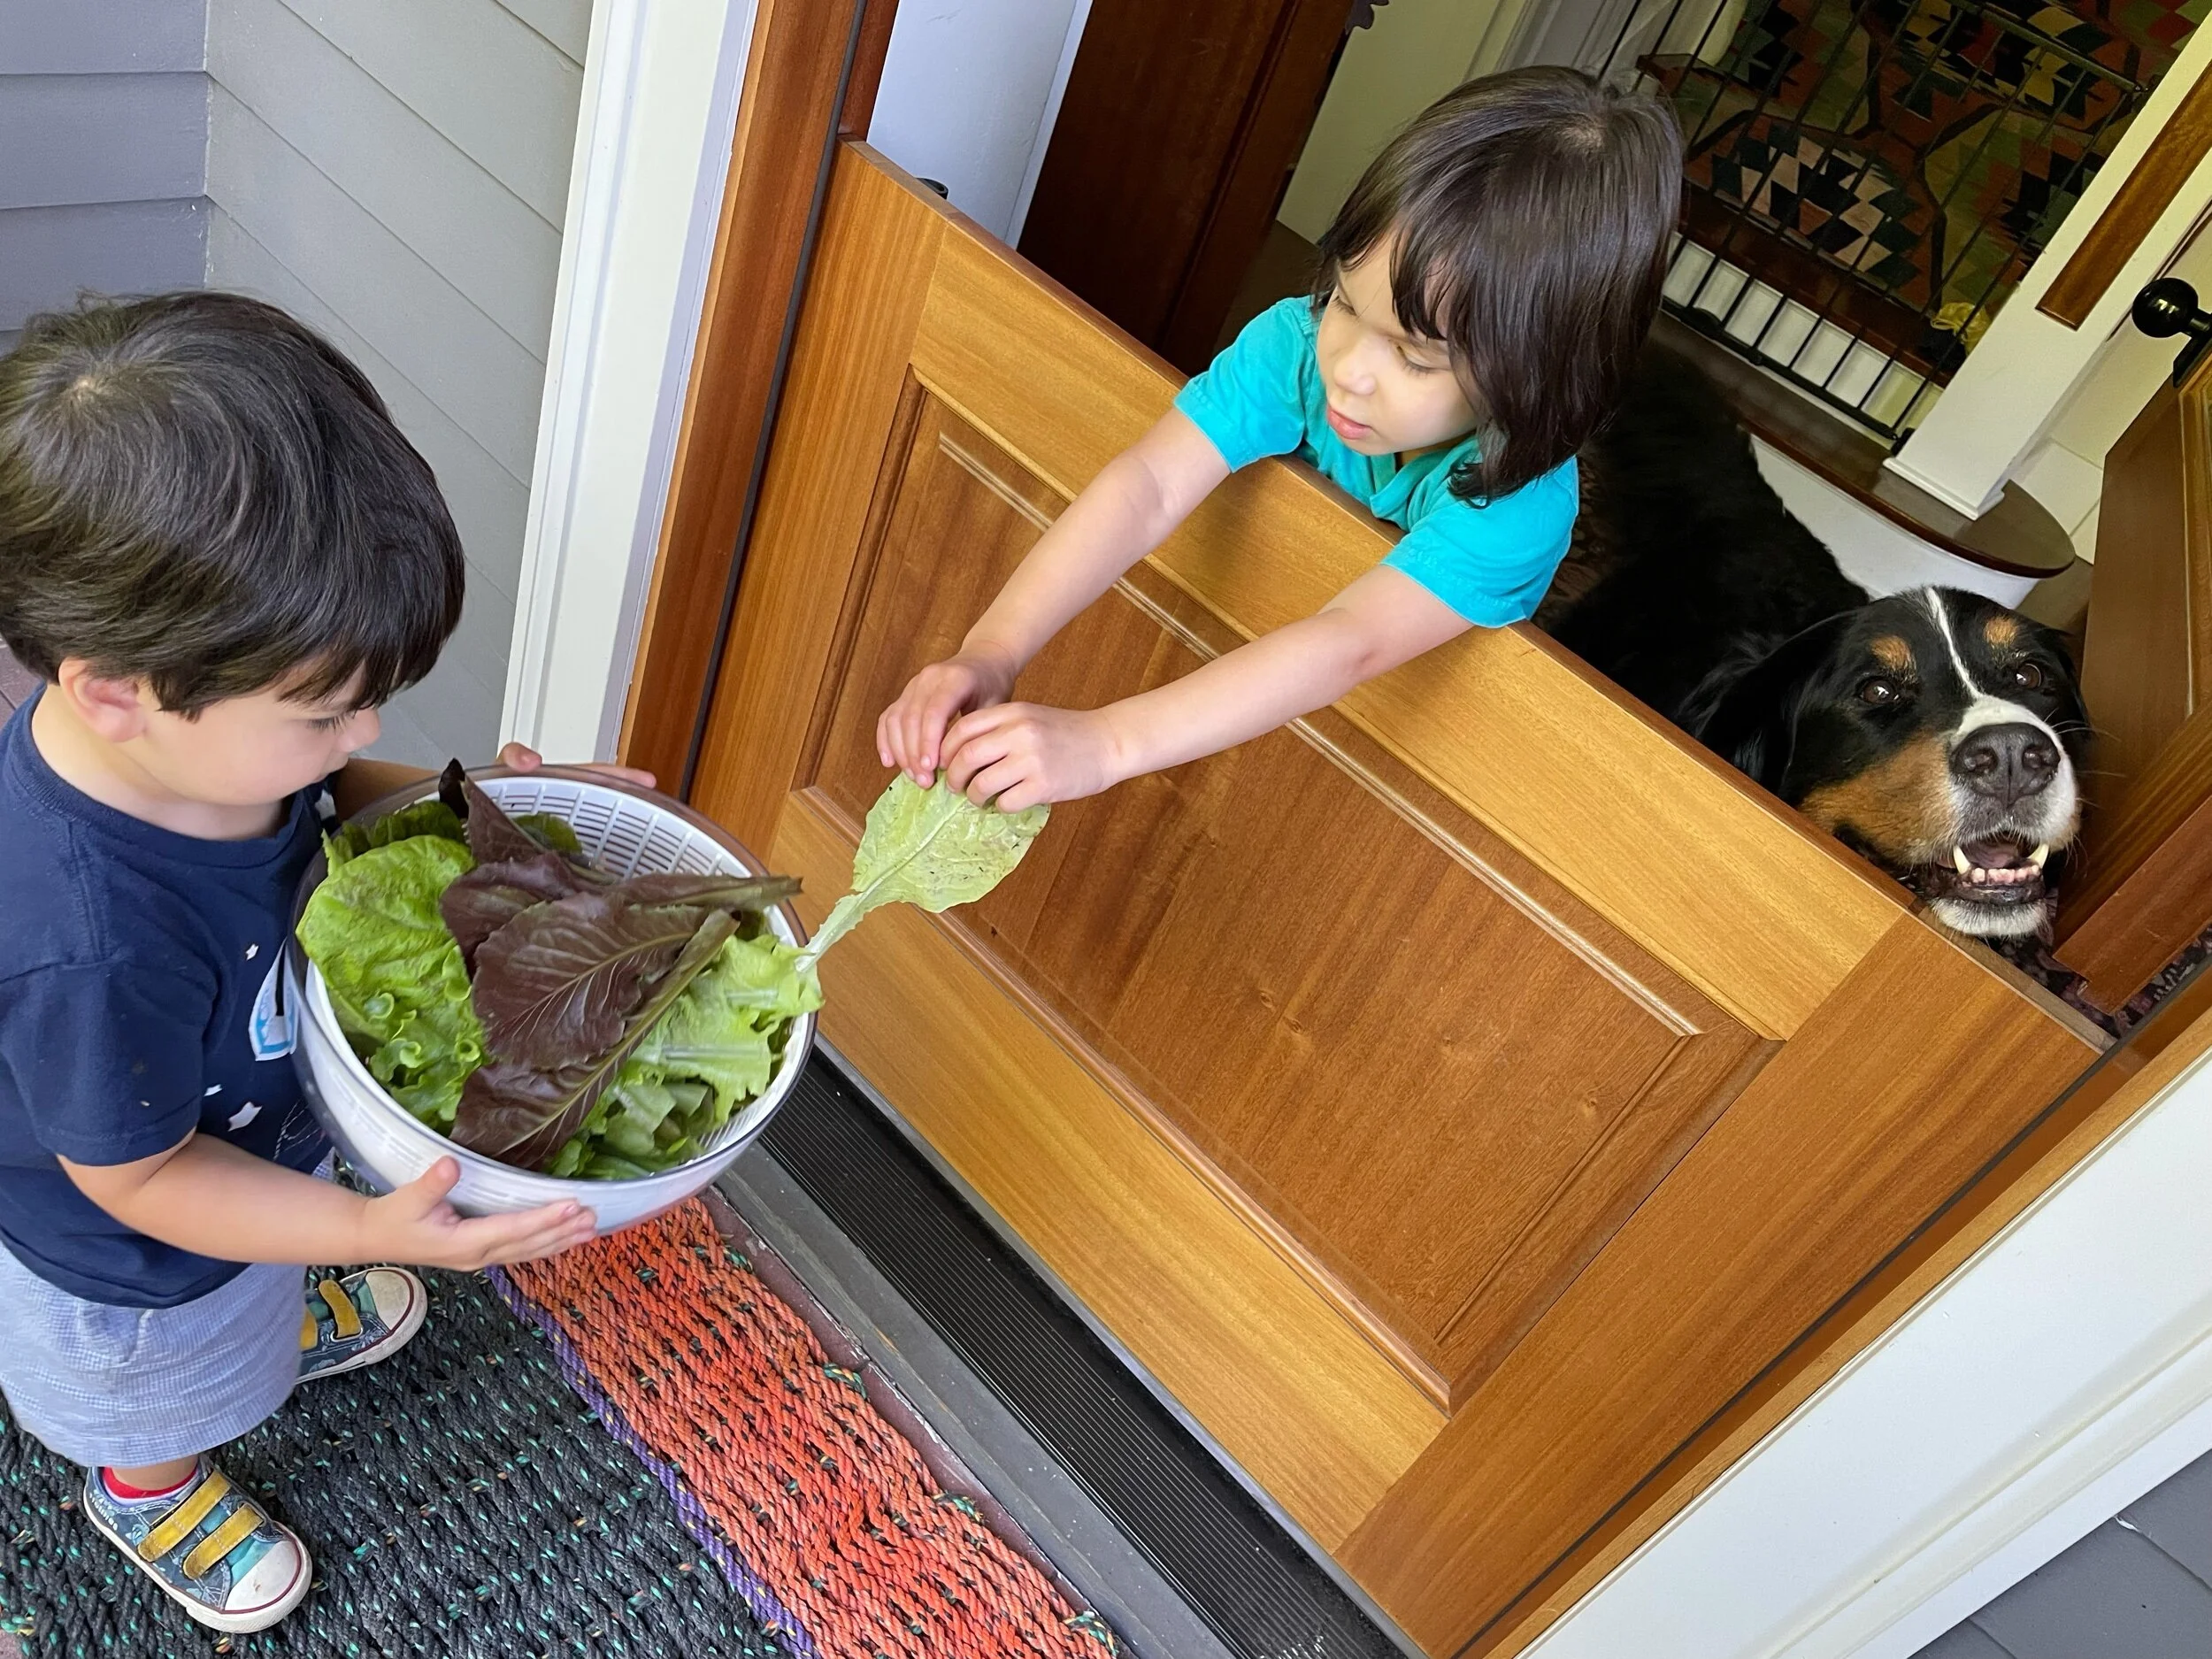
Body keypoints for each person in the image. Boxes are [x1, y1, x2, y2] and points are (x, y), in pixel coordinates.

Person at [0, 292, 635, 1633]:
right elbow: (143, 1172)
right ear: (112, 683)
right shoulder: (87, 937)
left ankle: (273, 1298)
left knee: (253, 1273)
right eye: (327, 706)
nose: (367, 725)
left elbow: (337, 797)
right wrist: (359, 1222)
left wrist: (486, 811)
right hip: (134, 1257)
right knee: (173, 1372)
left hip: (243, 1143)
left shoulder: (206, 746)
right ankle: (144, 1483)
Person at [879, 68, 1683, 810]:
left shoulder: (1519, 506)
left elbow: (1349, 645)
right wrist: (991, 650)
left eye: (1413, 356)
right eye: (1343, 301)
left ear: (1541, 374)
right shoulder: (1294, 346)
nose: (1350, 372)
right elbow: (1149, 486)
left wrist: (1107, 741)